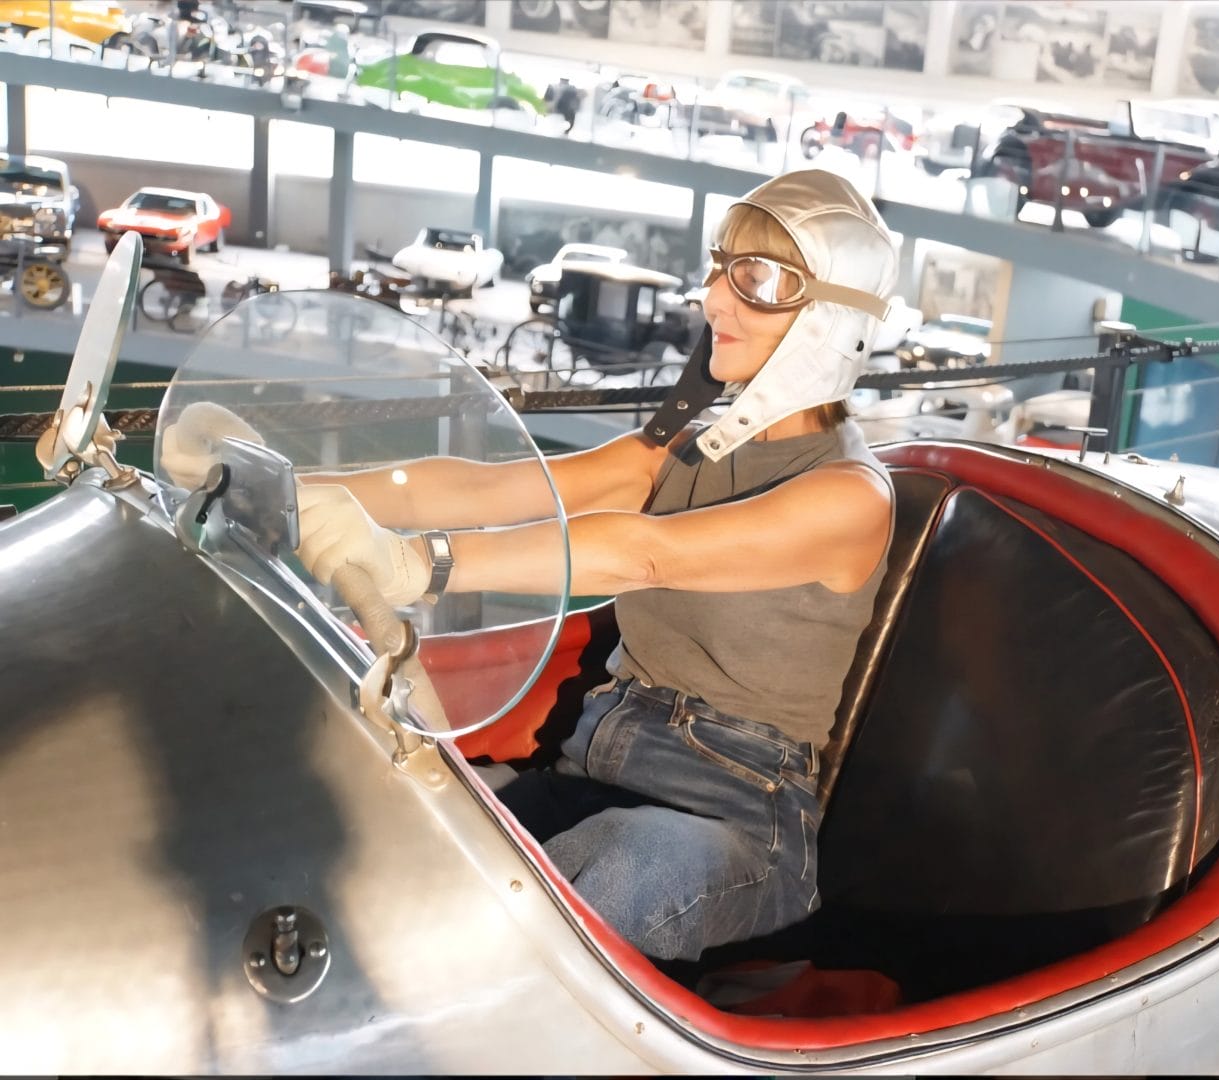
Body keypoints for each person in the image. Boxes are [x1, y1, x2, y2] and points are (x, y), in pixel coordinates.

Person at [161, 169, 899, 963]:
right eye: (719, 269)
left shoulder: (850, 497)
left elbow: (642, 553)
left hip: (743, 823)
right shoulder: (686, 451)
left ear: (831, 317)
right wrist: (285, 488)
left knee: (624, 866)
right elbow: (483, 488)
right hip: (594, 768)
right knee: (405, 840)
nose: (713, 299)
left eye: (755, 280)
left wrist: (415, 563)